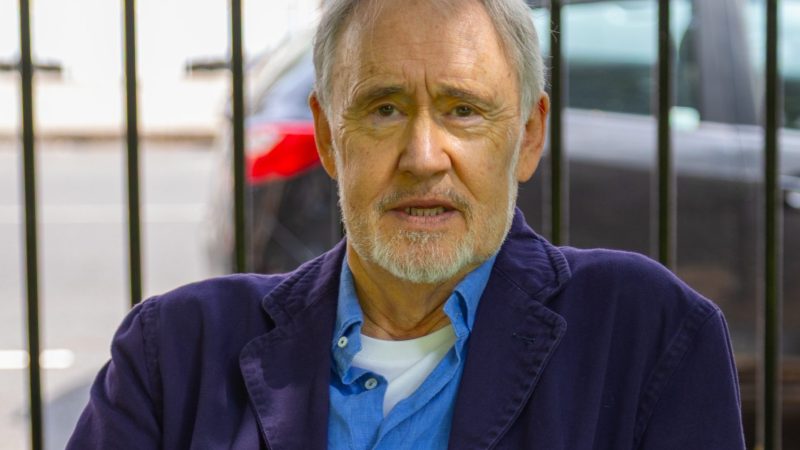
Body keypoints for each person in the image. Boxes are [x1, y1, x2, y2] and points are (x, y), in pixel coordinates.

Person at [67, 0, 746, 448]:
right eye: (384, 109)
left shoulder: (646, 334)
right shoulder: (175, 353)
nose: (424, 157)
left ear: (530, 136)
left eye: (464, 110)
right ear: (330, 138)